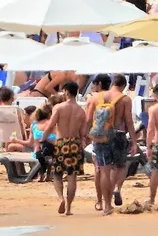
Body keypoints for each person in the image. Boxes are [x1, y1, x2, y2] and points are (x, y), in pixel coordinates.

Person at [86, 74, 136, 215]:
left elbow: (88, 119)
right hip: (118, 135)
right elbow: (129, 121)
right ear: (124, 86)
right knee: (121, 166)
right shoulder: (125, 99)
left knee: (104, 171)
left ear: (113, 83)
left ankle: (107, 205)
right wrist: (134, 140)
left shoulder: (96, 97)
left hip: (100, 136)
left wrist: (86, 136)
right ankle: (115, 188)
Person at [40, 80, 85, 216]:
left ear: (66, 92)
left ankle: (61, 198)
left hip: (61, 143)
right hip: (75, 143)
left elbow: (50, 125)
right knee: (72, 177)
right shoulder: (81, 111)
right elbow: (83, 134)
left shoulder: (59, 108)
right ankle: (69, 208)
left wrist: (42, 139)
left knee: (57, 174)